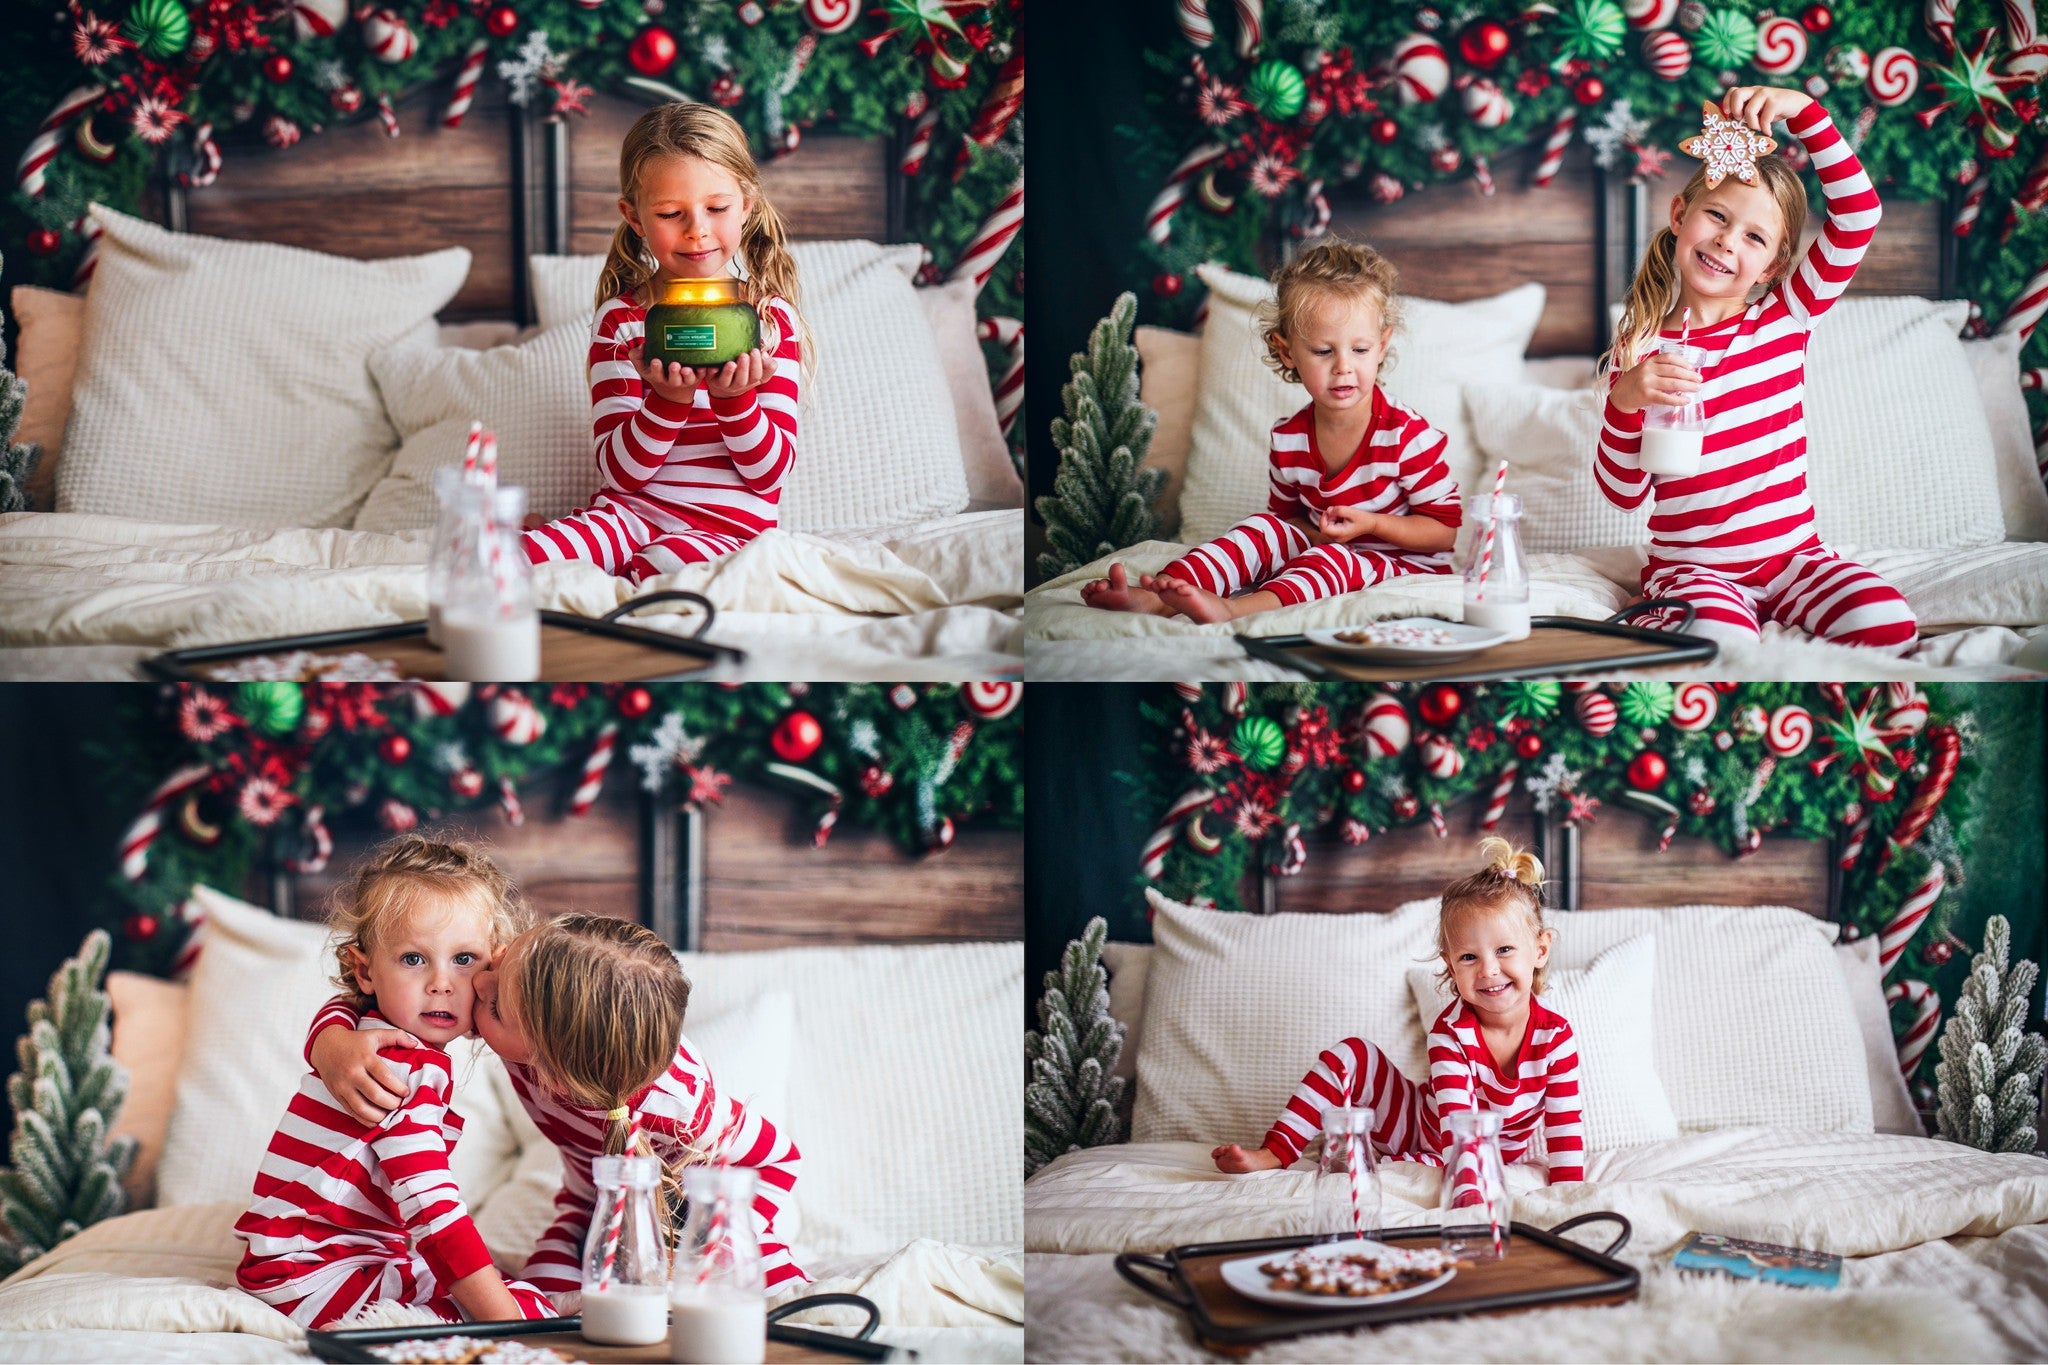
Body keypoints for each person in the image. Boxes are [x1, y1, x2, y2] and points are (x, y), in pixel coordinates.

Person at [1595, 85, 1916, 652]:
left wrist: (1805, 113)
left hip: (1795, 559)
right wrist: (1625, 400)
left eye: (1754, 237)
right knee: (1720, 643)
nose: (1726, 240)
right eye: (1716, 215)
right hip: (1694, 569)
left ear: (1773, 264)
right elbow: (1623, 493)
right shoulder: (1643, 347)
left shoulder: (1787, 315)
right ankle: (1665, 612)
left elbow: (1859, 213)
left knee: (1884, 624)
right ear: (1679, 214)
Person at [234, 836, 556, 1328]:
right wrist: (512, 1323)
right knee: (498, 1304)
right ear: (365, 971)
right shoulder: (403, 1068)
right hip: (315, 1278)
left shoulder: (362, 1034)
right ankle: (545, 1310)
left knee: (486, 1283)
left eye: (464, 959)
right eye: (413, 959)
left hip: (303, 1262)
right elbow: (432, 1209)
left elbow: (342, 1008)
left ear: (494, 966)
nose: (441, 983)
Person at [1081, 240, 1460, 623]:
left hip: (1406, 565)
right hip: (1331, 549)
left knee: (1331, 559)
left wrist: (1373, 525)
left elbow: (1444, 531)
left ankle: (1235, 608)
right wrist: (1313, 536)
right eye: (1323, 351)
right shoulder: (1290, 438)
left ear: (1381, 346)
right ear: (1287, 352)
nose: (1344, 367)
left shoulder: (1406, 435)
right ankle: (1157, 596)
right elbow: (1287, 522)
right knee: (1262, 527)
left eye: (1359, 350)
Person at [522, 102, 803, 585]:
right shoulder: (622, 320)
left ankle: (627, 589)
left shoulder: (770, 320)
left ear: (747, 205)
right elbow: (620, 476)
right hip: (628, 515)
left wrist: (734, 400)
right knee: (515, 562)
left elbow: (769, 475)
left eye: (717, 208)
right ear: (634, 218)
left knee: (661, 569)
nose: (697, 230)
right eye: (671, 213)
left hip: (727, 531)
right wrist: (666, 402)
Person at [1211, 838, 1585, 1186]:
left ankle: (1394, 1164)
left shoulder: (1555, 1037)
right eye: (1469, 957)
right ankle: (1277, 1151)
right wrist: (1464, 1185)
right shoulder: (1451, 1032)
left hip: (1479, 1155)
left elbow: (1564, 1126)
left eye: (1504, 950)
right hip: (1425, 1127)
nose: (1488, 970)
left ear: (1540, 949)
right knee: (1353, 1053)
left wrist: (1568, 1195)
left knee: (1409, 1167)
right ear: (1451, 967)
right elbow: (1457, 1125)